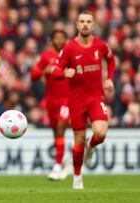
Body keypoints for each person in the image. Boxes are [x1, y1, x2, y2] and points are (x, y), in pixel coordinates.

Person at [51, 10, 115, 189]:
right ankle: (77, 178)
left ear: (93, 25)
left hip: (96, 97)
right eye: (82, 21)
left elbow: (111, 60)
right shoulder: (69, 48)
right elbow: (55, 71)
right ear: (77, 25)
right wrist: (65, 72)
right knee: (78, 140)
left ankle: (91, 145)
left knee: (100, 133)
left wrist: (109, 78)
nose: (85, 24)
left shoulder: (101, 45)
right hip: (77, 100)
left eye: (88, 21)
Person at [30, 30, 69, 181]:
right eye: (56, 38)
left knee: (60, 128)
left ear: (66, 40)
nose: (59, 41)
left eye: (61, 38)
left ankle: (57, 165)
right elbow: (34, 74)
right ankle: (63, 160)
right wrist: (42, 71)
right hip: (51, 100)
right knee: (56, 132)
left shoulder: (70, 55)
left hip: (67, 100)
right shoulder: (46, 56)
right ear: (51, 40)